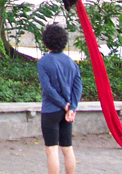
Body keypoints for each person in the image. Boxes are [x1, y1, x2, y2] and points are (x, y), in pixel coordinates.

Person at [38, 24, 83, 174]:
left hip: (51, 110)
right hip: (67, 112)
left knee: (51, 150)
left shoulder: (43, 62)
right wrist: (72, 108)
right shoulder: (72, 63)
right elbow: (78, 87)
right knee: (67, 148)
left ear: (46, 41)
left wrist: (64, 105)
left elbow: (47, 88)